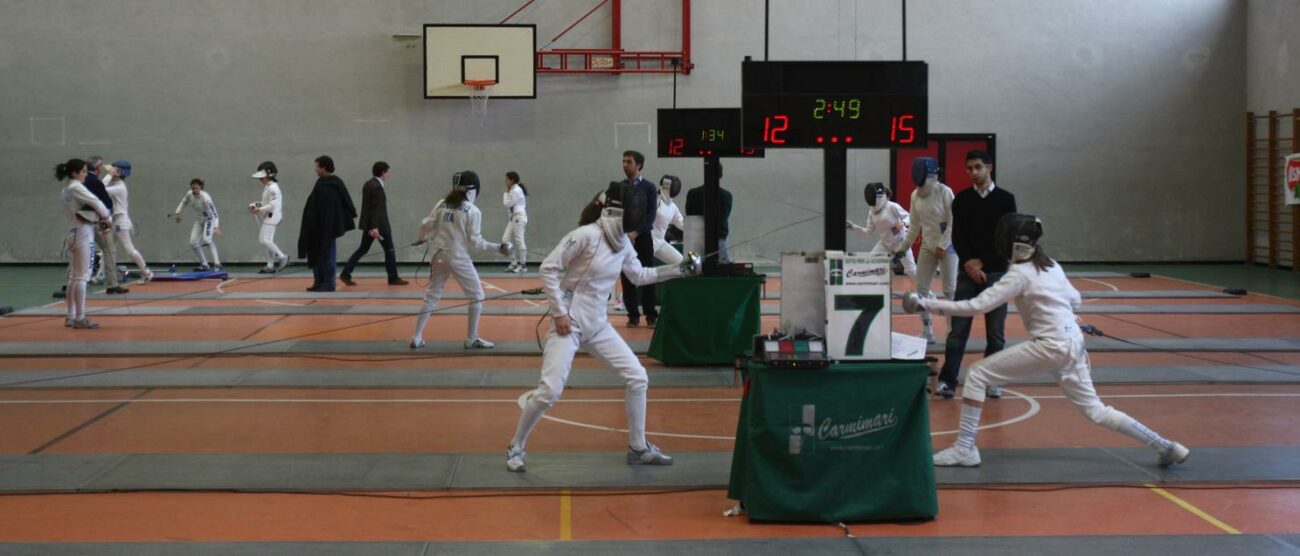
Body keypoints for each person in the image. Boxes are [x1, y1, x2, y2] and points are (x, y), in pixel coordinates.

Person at [903, 214, 1190, 468]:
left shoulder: (1018, 274)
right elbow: (1075, 300)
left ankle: (965, 449)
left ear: (1013, 243)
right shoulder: (1050, 265)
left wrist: (926, 303)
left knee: (977, 374)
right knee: (1096, 410)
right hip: (1072, 343)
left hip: (1051, 345)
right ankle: (1167, 446)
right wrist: (1061, 314)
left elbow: (976, 307)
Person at [504, 181, 702, 473]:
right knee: (549, 392)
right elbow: (548, 267)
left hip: (597, 324)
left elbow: (639, 275)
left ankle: (638, 447)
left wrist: (678, 269)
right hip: (568, 323)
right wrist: (559, 313)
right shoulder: (584, 235)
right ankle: (515, 445)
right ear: (617, 211)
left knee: (637, 377)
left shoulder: (622, 243)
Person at [936, 150, 1017, 400]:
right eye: (969, 168)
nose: (973, 172)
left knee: (996, 333)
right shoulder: (961, 200)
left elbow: (1008, 237)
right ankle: (948, 381)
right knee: (958, 330)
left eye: (978, 167)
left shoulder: (1006, 199)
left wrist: (984, 262)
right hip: (967, 274)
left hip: (997, 273)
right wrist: (970, 265)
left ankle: (991, 381)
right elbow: (958, 236)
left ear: (989, 168)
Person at [410, 171, 510, 350]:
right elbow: (476, 242)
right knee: (477, 295)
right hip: (457, 257)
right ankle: (472, 339)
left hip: (437, 255)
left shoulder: (442, 203)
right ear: (472, 190)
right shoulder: (472, 211)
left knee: (432, 296)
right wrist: (498, 248)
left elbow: (425, 224)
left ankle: (416, 337)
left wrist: (422, 237)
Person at [897, 157, 957, 343]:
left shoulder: (944, 192)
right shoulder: (915, 195)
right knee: (920, 291)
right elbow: (914, 226)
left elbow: (954, 221)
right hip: (927, 245)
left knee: (950, 291)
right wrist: (903, 247)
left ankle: (951, 333)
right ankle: (928, 332)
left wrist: (943, 245)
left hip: (948, 246)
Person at [57, 158, 112, 329]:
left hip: (72, 233)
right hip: (82, 233)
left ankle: (71, 316)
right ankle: (80, 318)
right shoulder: (76, 187)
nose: (84, 175)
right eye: (82, 172)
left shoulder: (66, 189)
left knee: (74, 276)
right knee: (82, 277)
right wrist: (107, 218)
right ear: (74, 173)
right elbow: (97, 202)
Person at [341, 161, 408, 286]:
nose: (388, 175)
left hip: (369, 224)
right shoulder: (377, 187)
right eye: (387, 172)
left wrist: (370, 226)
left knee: (362, 249)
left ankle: (345, 273)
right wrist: (375, 227)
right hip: (379, 226)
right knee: (390, 250)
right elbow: (376, 209)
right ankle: (393, 278)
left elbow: (369, 208)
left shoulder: (368, 184)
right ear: (383, 172)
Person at [297, 155, 356, 292]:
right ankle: (319, 281)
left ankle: (329, 283)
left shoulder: (334, 183)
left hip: (329, 227)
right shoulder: (321, 183)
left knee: (328, 254)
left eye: (317, 166)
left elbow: (339, 205)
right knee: (316, 253)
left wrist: (331, 223)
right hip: (317, 226)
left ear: (323, 167)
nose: (315, 169)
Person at [617, 150, 659, 327]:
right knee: (627, 278)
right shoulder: (619, 186)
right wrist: (624, 233)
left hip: (643, 238)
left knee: (647, 276)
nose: (625, 165)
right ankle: (633, 315)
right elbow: (616, 212)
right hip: (624, 239)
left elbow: (651, 215)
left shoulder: (649, 187)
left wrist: (636, 233)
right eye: (624, 161)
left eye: (629, 162)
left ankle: (651, 315)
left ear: (639, 165)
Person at [847, 181, 917, 276]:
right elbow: (867, 232)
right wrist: (853, 227)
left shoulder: (891, 206)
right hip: (885, 244)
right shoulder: (872, 212)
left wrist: (903, 223)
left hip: (900, 242)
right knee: (870, 262)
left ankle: (924, 290)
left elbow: (909, 217)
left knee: (911, 271)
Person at [102, 160, 153, 284]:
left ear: (118, 172)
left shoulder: (119, 187)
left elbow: (100, 188)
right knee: (107, 249)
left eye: (114, 169)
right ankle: (101, 275)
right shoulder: (117, 184)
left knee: (129, 249)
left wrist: (109, 174)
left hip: (120, 222)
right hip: (116, 220)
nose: (111, 171)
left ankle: (147, 273)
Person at [86, 156, 126, 293]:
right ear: (97, 168)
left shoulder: (79, 182)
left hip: (82, 222)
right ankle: (112, 284)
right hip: (99, 221)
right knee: (109, 250)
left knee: (78, 251)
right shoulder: (95, 182)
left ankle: (68, 284)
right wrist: (110, 175)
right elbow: (106, 200)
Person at [683, 162, 734, 263]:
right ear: (721, 174)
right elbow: (724, 216)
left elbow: (689, 214)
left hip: (696, 240)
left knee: (694, 271)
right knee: (724, 270)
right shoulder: (726, 196)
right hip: (719, 239)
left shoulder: (693, 193)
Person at [248, 161, 289, 274]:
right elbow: (265, 202)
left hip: (273, 216)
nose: (260, 179)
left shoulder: (273, 188)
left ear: (270, 175)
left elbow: (273, 205)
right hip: (270, 216)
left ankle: (282, 257)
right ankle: (270, 265)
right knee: (268, 240)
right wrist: (256, 205)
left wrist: (259, 209)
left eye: (263, 177)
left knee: (264, 239)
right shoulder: (268, 187)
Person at [174, 178, 222, 272]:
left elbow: (214, 212)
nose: (194, 190)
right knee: (193, 242)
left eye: (196, 188)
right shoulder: (189, 194)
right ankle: (204, 264)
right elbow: (183, 202)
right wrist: (177, 213)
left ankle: (217, 264)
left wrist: (216, 227)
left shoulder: (206, 197)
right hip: (199, 221)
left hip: (209, 220)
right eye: (193, 188)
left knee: (207, 240)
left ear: (201, 188)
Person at [650, 175, 685, 265]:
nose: (675, 190)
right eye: (674, 187)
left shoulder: (672, 207)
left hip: (660, 243)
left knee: (682, 263)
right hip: (645, 244)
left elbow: (682, 224)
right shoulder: (653, 200)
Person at [501, 171, 529, 273]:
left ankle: (523, 265)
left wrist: (505, 194)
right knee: (505, 240)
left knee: (519, 241)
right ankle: (513, 263)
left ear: (512, 180)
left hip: (519, 218)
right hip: (513, 218)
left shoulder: (516, 190)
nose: (505, 181)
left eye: (507, 179)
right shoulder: (512, 190)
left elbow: (507, 204)